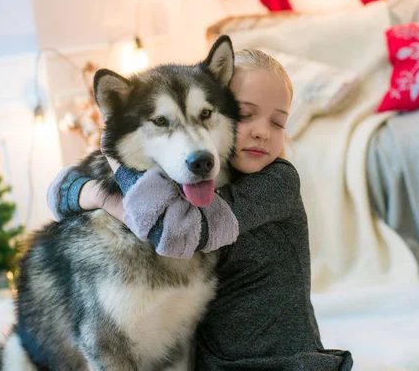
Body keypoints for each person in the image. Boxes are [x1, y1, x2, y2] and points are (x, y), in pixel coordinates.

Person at [47, 49, 353, 370]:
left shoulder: (277, 181)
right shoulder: (184, 176)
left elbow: (177, 233)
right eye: (246, 115)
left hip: (281, 360)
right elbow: (58, 190)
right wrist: (97, 187)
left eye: (278, 122)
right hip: (215, 362)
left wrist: (116, 187)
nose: (262, 131)